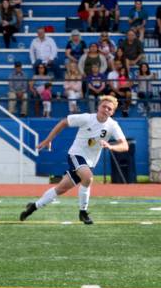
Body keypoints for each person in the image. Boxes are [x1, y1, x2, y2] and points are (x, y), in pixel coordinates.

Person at [21, 95, 126, 225]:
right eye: (104, 106)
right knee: (88, 178)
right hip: (76, 155)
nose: (105, 110)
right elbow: (64, 122)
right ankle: (83, 212)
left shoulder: (113, 125)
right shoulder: (87, 118)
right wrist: (48, 140)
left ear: (113, 112)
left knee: (60, 189)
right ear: (98, 107)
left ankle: (33, 207)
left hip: (90, 162)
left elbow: (124, 146)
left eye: (109, 109)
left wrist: (111, 146)